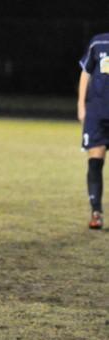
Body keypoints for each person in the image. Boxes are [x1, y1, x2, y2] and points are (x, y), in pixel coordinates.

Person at [78, 32, 109, 230]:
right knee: (95, 162)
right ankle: (96, 212)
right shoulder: (99, 42)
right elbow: (86, 72)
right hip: (98, 113)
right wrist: (81, 103)